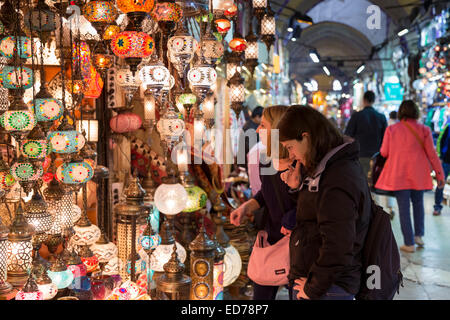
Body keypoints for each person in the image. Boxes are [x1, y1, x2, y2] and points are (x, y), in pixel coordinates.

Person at [276, 105, 371, 300]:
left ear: (306, 137)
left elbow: (338, 243)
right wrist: (297, 187)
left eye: (290, 147)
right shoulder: (326, 168)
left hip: (329, 288)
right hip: (323, 283)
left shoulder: (337, 177)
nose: (291, 155)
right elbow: (317, 215)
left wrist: (313, 288)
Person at [230, 105, 296, 300]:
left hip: (299, 243)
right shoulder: (266, 160)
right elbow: (264, 195)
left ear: (278, 129)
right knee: (261, 295)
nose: (258, 131)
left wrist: (292, 219)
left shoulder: (300, 164)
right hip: (271, 238)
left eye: (263, 126)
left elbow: (310, 203)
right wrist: (246, 207)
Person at [375, 100, 445, 252]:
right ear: (416, 112)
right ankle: (419, 236)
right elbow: (432, 155)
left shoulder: (392, 130)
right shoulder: (424, 130)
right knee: (418, 205)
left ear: (401, 112)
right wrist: (440, 175)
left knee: (404, 209)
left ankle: (409, 243)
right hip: (419, 175)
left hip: (399, 175)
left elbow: (384, 152)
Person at [344, 91, 387, 177]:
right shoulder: (381, 117)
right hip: (377, 155)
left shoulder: (357, 116)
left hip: (360, 154)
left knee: (361, 180)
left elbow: (347, 135)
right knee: (374, 180)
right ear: (374, 100)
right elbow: (385, 137)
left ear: (364, 100)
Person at [433, 120, 450, 216]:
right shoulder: (448, 127)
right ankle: (437, 207)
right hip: (446, 160)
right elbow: (440, 140)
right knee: (441, 183)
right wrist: (440, 156)